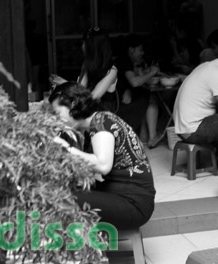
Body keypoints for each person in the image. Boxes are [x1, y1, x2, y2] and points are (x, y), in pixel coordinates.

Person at [49, 82, 155, 230]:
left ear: (72, 104)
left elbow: (103, 165)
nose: (56, 119)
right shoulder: (93, 126)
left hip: (133, 203)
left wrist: (65, 148)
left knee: (61, 199)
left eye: (57, 113)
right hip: (120, 194)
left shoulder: (102, 122)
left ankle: (75, 249)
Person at [115, 35, 161, 144]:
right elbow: (134, 82)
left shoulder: (123, 60)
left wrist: (144, 74)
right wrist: (152, 72)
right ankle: (152, 136)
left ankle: (144, 135)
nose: (142, 53)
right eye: (140, 50)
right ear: (131, 49)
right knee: (151, 98)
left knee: (143, 94)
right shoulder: (124, 61)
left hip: (121, 99)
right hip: (121, 104)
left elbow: (131, 79)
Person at [79, 27, 119, 113]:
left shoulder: (112, 71)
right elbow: (80, 89)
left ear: (92, 47)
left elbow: (93, 97)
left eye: (84, 43)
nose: (82, 46)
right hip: (87, 111)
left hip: (102, 118)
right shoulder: (87, 65)